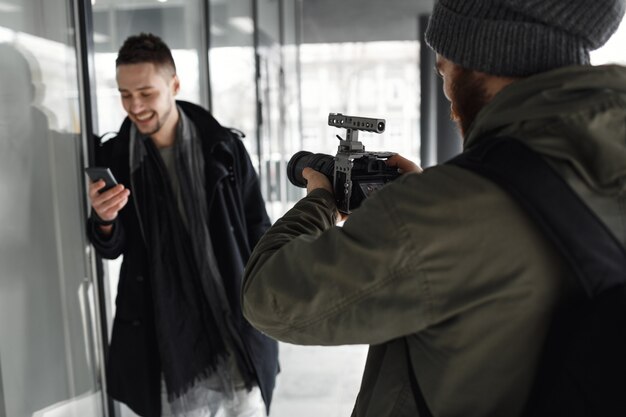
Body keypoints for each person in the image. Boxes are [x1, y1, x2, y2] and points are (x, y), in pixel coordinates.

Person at [241, 1, 626, 416]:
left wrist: (319, 199)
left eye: (443, 70)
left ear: (481, 59)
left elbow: (270, 297)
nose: (448, 98)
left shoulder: (442, 211)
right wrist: (430, 198)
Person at [86, 33, 278, 417]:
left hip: (235, 327)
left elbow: (258, 226)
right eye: (125, 94)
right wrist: (104, 219)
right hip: (167, 341)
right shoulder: (114, 158)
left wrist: (270, 299)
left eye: (146, 92)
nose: (135, 106)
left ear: (174, 85)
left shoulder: (222, 148)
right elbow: (113, 247)